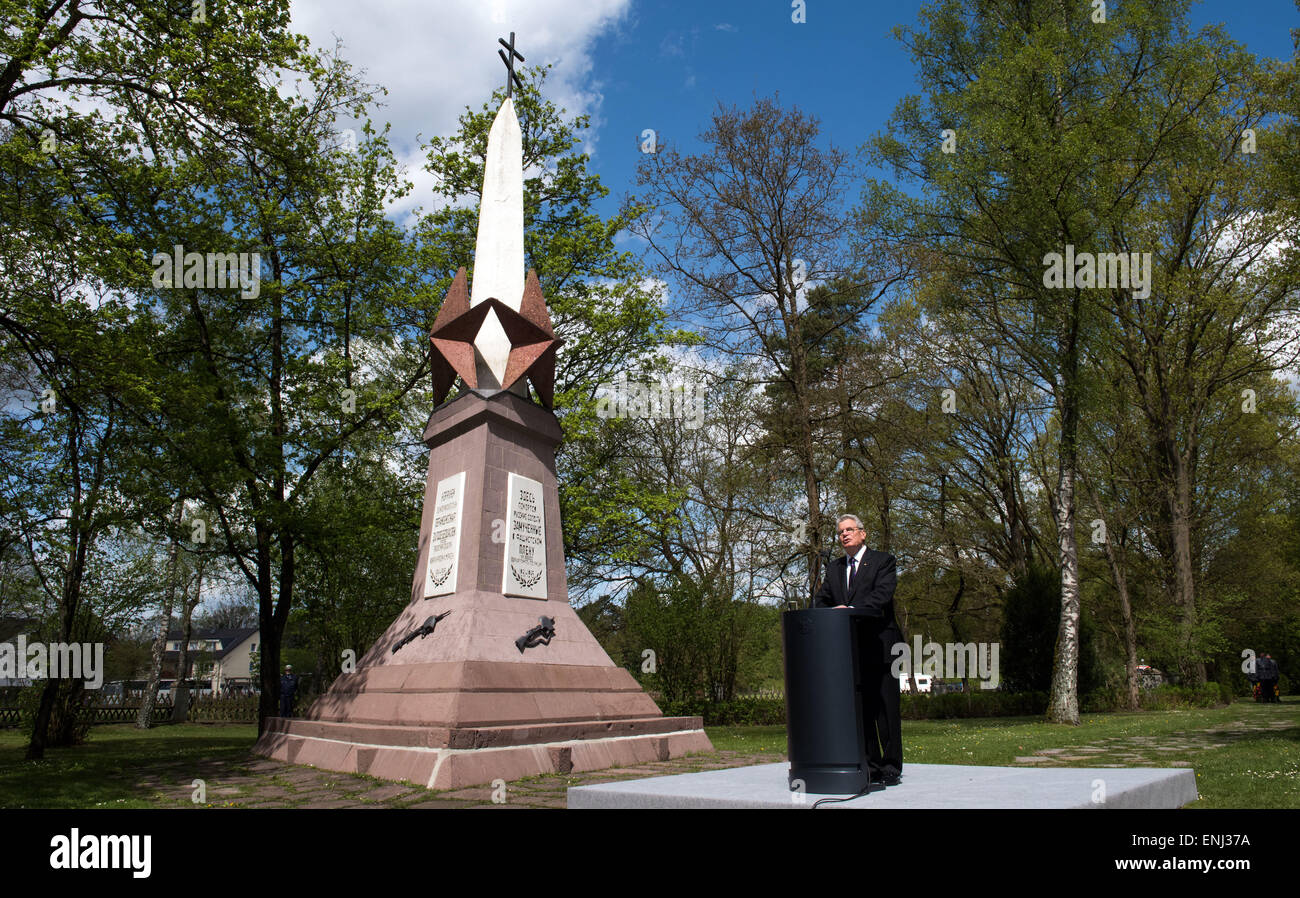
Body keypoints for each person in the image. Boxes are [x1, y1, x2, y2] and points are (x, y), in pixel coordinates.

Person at [812, 513, 904, 786]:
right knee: (862, 710)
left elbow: (881, 596)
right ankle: (871, 766)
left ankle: (890, 767)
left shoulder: (883, 561)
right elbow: (821, 600)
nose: (844, 535)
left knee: (886, 710)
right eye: (841, 532)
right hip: (851, 650)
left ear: (863, 534)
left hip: (883, 646)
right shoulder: (835, 568)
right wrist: (831, 612)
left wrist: (850, 611)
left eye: (850, 530)